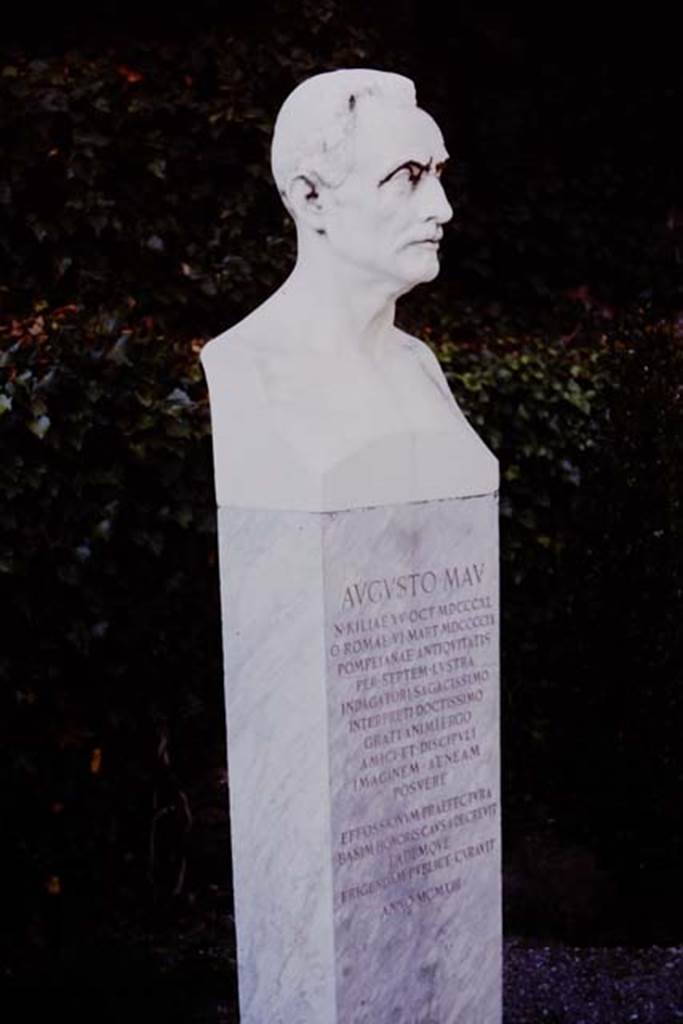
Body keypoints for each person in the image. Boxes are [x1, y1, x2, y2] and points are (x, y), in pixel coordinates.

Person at [201, 69, 497, 509]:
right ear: (312, 200)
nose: (443, 208)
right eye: (408, 176)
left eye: (437, 174)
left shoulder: (421, 366)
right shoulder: (246, 366)